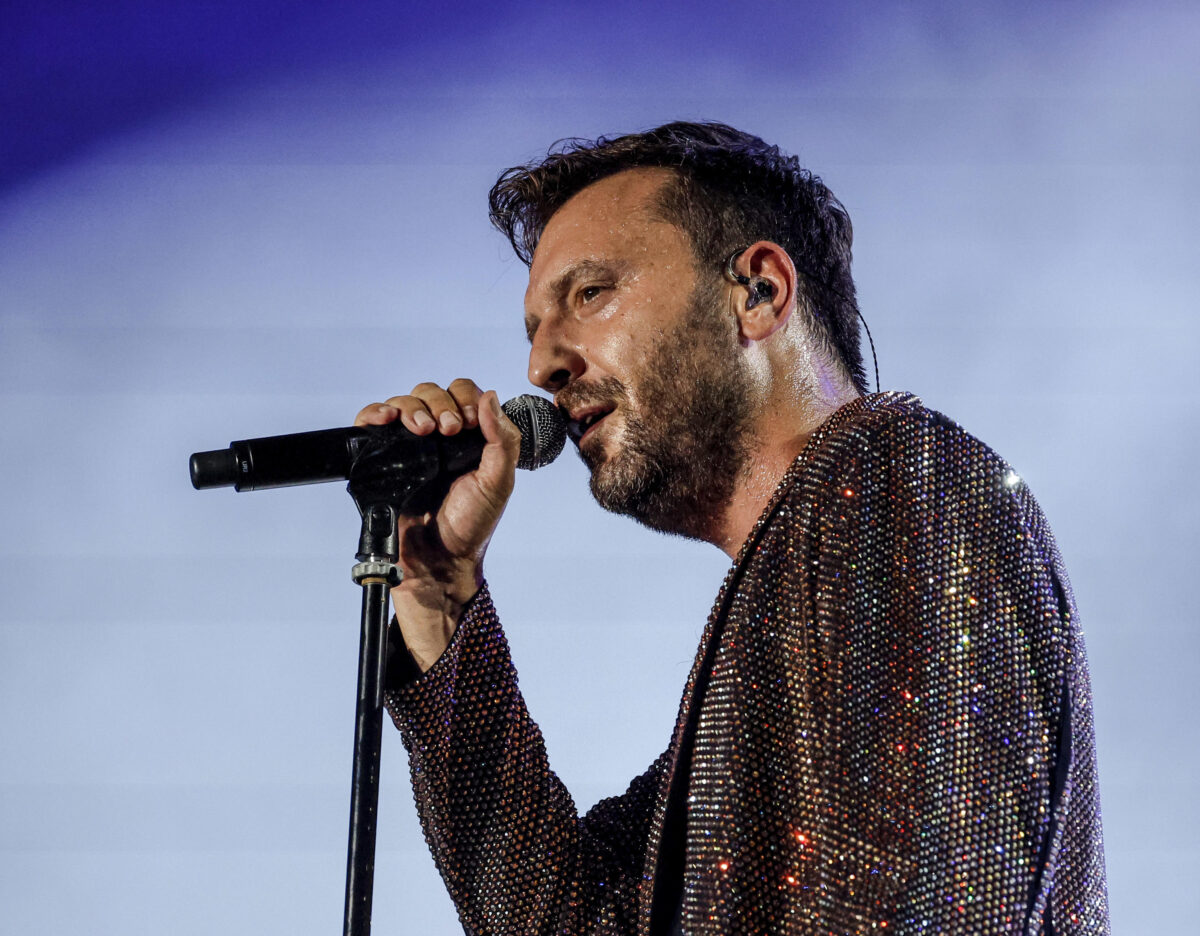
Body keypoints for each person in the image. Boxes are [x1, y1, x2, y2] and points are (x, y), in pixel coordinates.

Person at [353, 122, 1109, 935]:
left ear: (759, 293)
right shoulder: (765, 662)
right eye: (534, 329)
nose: (542, 366)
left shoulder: (898, 475)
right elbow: (567, 919)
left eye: (590, 293)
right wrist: (438, 591)